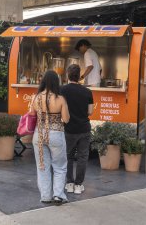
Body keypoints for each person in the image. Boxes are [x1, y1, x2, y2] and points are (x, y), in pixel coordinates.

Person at [30, 70, 70, 205]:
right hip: (56, 135)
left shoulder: (35, 98)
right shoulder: (60, 99)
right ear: (56, 82)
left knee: (42, 166)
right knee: (59, 166)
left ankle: (45, 196)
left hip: (39, 135)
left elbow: (31, 114)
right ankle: (58, 195)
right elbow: (66, 119)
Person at [61, 64, 94, 195]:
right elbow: (90, 112)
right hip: (84, 128)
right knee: (82, 157)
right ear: (79, 75)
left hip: (68, 128)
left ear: (68, 75)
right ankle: (78, 185)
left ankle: (69, 183)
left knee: (68, 156)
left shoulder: (62, 90)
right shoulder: (87, 92)